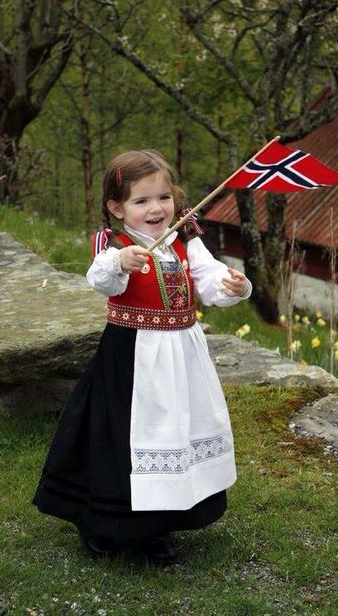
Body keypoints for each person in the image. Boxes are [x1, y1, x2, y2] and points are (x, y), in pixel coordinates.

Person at [32, 149, 252, 566]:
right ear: (118, 208)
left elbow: (207, 280)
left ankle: (159, 529)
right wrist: (121, 261)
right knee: (126, 441)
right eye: (142, 200)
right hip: (132, 357)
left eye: (163, 197)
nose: (156, 208)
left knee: (175, 436)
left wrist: (235, 286)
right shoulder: (114, 243)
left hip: (182, 358)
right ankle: (104, 523)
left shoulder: (186, 237)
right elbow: (100, 280)